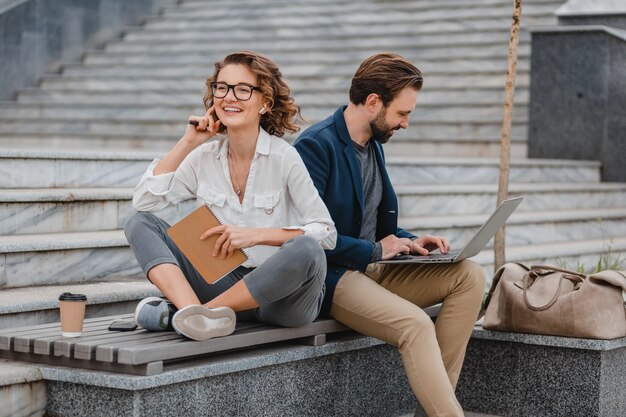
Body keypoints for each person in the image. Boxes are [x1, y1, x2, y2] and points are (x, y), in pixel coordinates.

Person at [294, 53, 485, 417]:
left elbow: (374, 223)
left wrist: (410, 240)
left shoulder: (373, 146)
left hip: (374, 268)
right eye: (402, 113)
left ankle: (434, 411)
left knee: (469, 276)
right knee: (415, 325)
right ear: (372, 102)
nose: (406, 123)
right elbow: (306, 236)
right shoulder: (316, 146)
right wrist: (374, 249)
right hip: (334, 276)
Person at [124, 51, 336, 341]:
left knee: (307, 248)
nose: (229, 97)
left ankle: (197, 314)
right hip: (222, 282)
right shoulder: (203, 156)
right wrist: (187, 142)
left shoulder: (284, 157)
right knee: (140, 223)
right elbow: (145, 202)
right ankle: (193, 312)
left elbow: (326, 233)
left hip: (282, 301)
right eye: (221, 88)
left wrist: (255, 235)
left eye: (243, 89)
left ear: (265, 103)